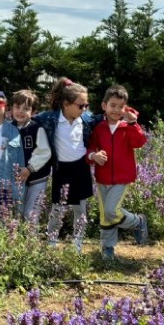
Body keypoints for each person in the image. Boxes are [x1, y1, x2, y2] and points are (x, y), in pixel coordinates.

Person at [34, 78, 102, 253]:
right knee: (58, 208)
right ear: (66, 104)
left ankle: (77, 244)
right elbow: (27, 119)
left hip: (81, 168)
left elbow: (106, 116)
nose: (85, 109)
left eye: (86, 105)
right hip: (61, 169)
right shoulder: (49, 118)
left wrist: (127, 117)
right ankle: (51, 242)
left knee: (81, 209)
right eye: (81, 105)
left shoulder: (85, 119)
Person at [86, 85, 148, 261]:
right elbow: (90, 146)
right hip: (102, 177)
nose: (116, 110)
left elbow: (139, 142)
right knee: (106, 215)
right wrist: (93, 155)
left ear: (125, 108)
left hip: (122, 178)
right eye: (112, 105)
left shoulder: (127, 126)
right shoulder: (98, 127)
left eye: (121, 106)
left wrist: (133, 123)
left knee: (112, 211)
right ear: (104, 106)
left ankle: (137, 222)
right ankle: (108, 247)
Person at [10, 89, 52, 220]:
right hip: (17, 177)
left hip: (37, 177)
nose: (20, 111)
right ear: (11, 108)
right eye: (17, 107)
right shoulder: (7, 129)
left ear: (33, 112)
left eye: (26, 108)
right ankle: (16, 240)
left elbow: (44, 152)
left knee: (31, 213)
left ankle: (31, 239)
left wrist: (29, 169)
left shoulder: (36, 128)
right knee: (17, 212)